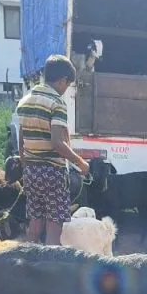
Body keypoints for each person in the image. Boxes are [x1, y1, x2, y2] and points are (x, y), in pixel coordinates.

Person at [15, 55, 89, 245]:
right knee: (54, 226)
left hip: (31, 171)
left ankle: (30, 257)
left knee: (35, 222)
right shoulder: (57, 103)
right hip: (53, 172)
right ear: (63, 80)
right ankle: (51, 261)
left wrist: (26, 167)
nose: (66, 89)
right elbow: (57, 142)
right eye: (68, 84)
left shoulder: (25, 101)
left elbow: (21, 141)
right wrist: (80, 163)